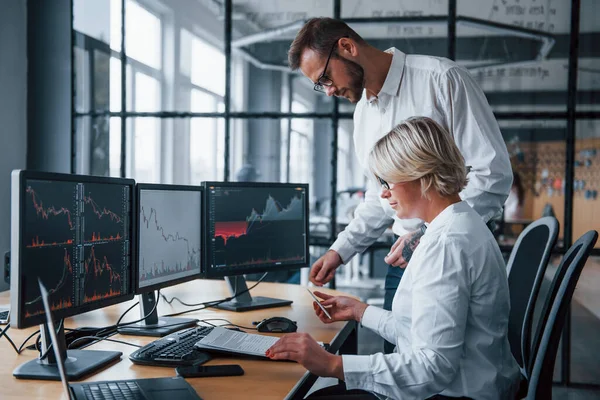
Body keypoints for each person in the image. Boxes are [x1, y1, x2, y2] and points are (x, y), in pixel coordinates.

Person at [288, 17, 512, 352]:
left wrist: (428, 234)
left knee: (437, 365)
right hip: (401, 259)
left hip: (452, 250)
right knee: (404, 358)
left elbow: (492, 174)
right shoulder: (363, 113)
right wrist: (340, 250)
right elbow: (382, 197)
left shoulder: (441, 80)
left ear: (347, 47)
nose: (329, 91)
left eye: (325, 78)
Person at [266, 117, 520, 400]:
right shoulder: (458, 224)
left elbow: (432, 367)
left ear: (421, 173)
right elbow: (423, 333)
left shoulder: (446, 244)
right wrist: (360, 311)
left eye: (387, 181)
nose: (383, 193)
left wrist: (333, 364)